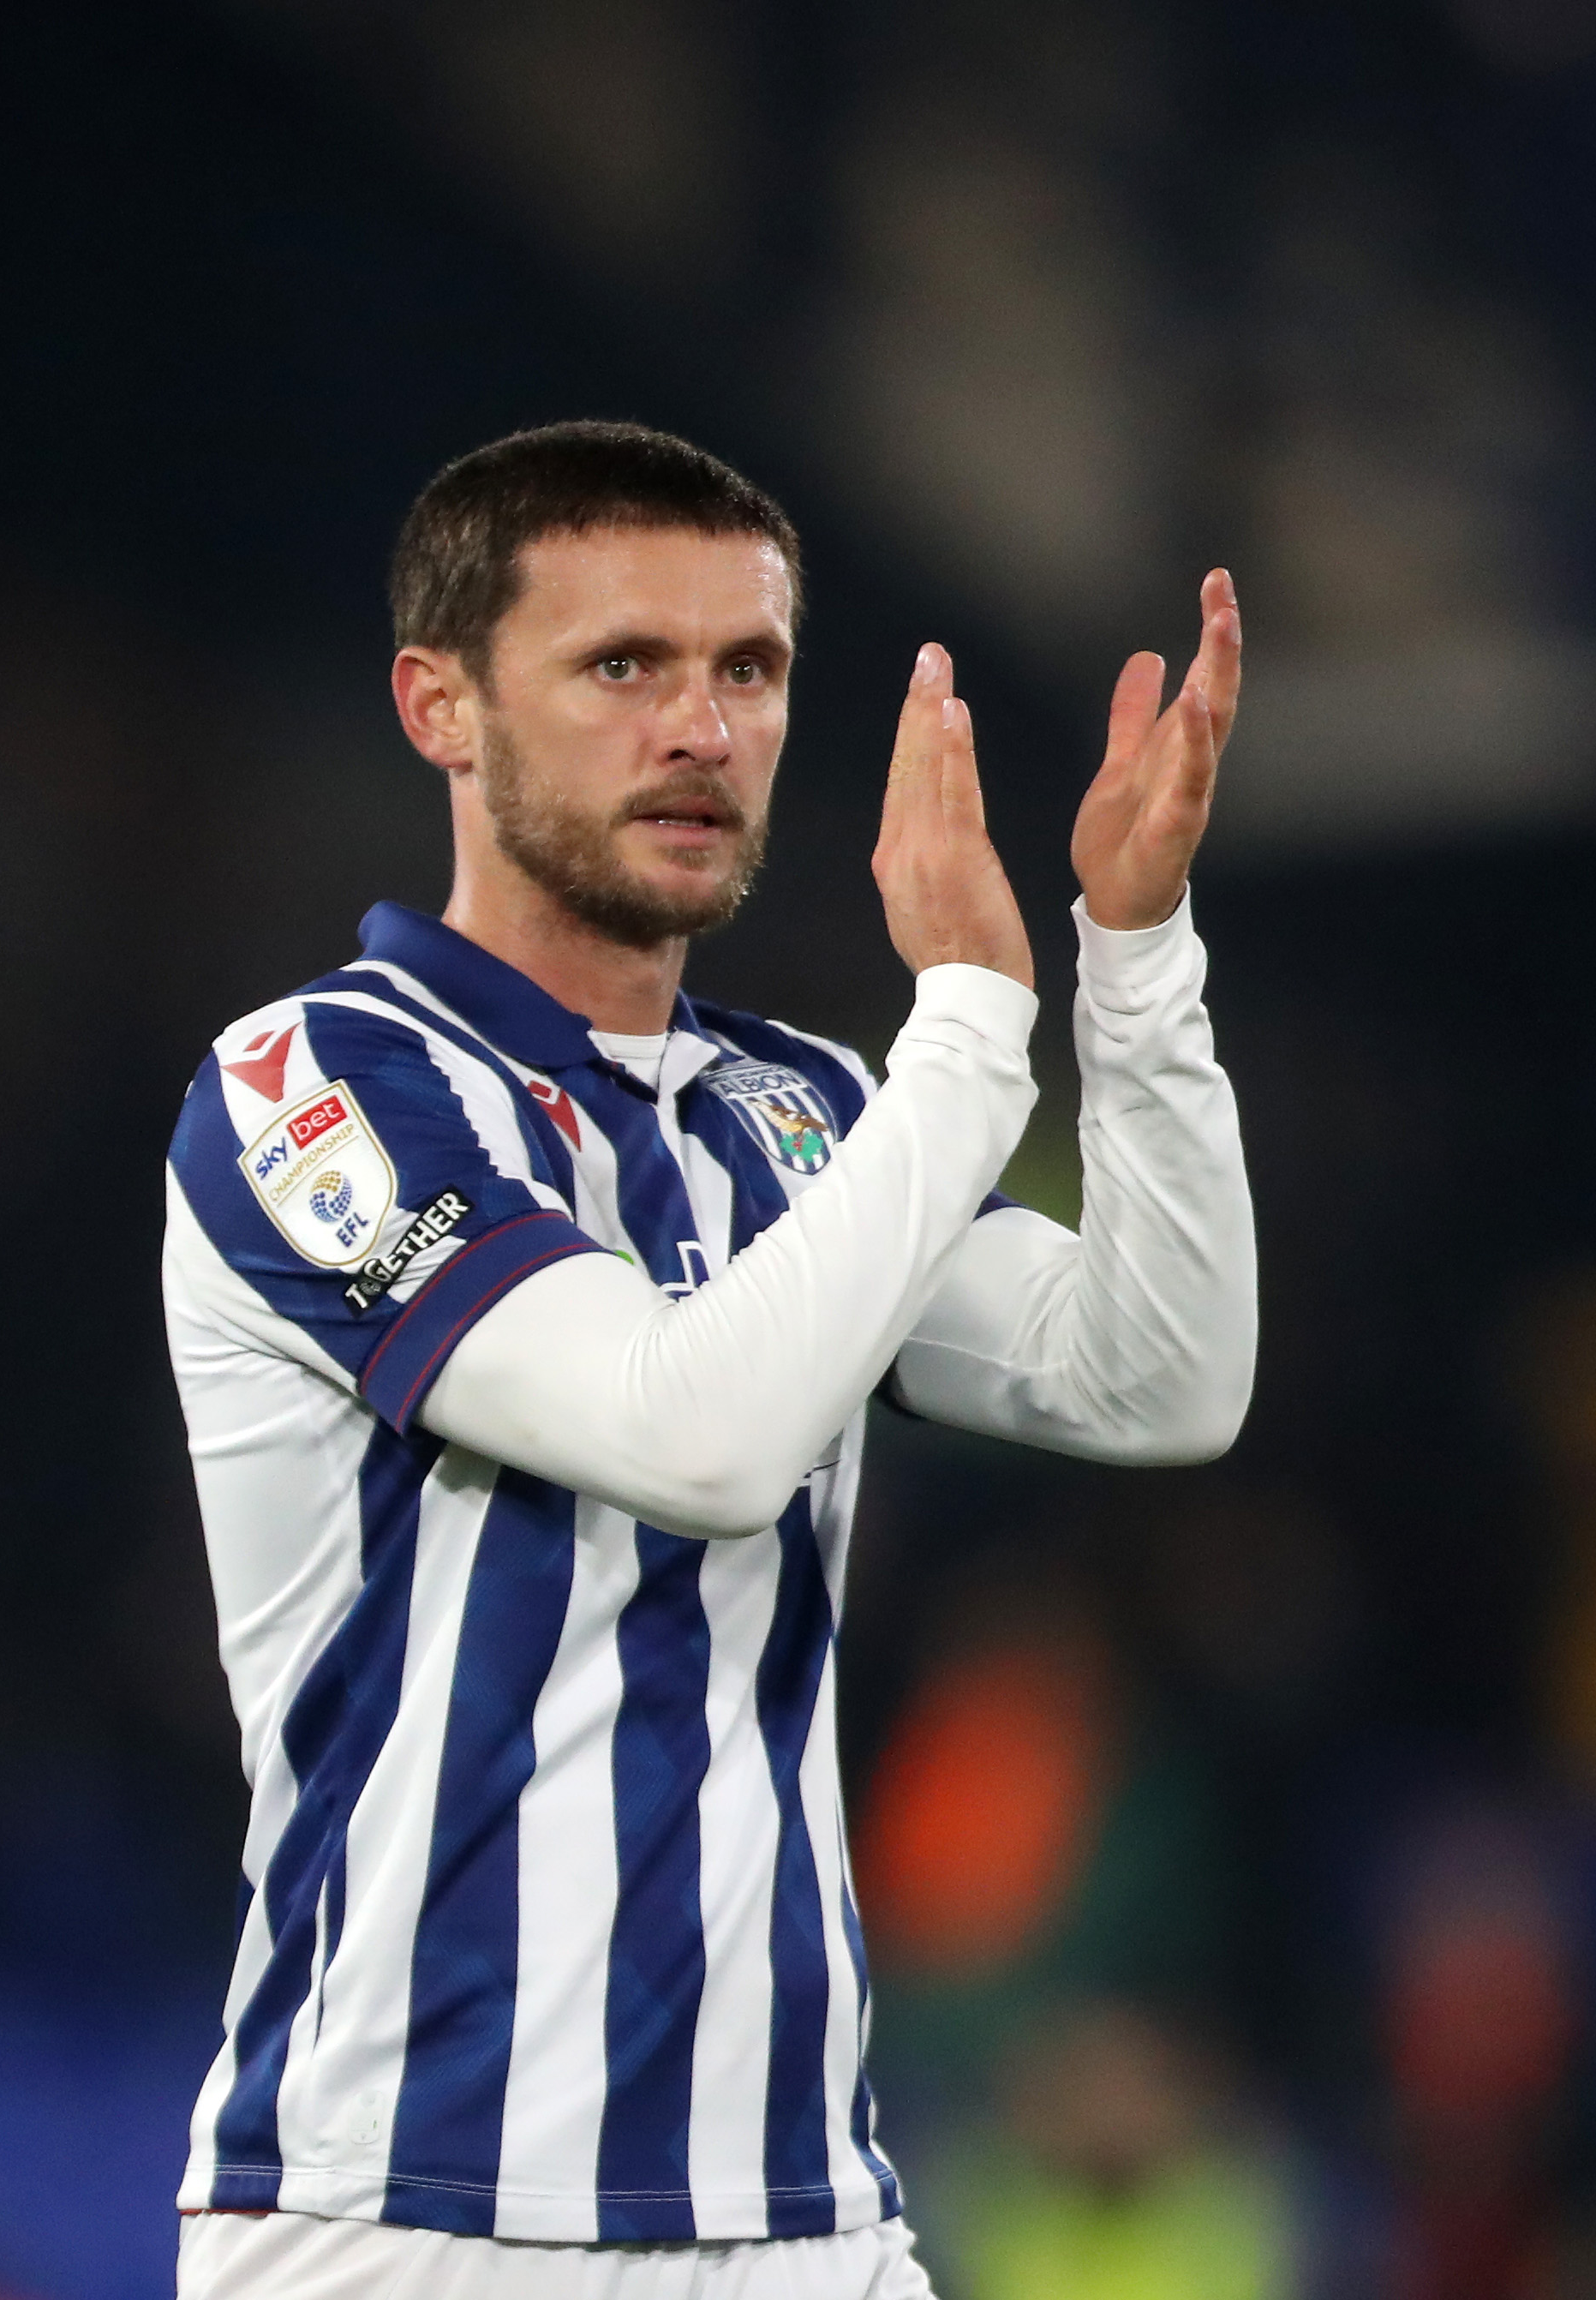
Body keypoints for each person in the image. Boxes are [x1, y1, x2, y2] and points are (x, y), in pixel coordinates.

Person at [158, 421, 1259, 2296]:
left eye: (746, 668)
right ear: (441, 705)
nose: (702, 728)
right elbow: (698, 1434)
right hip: (414, 2221)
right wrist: (974, 1020)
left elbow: (1158, 1376)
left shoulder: (805, 1115)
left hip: (802, 2223)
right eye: (624, 667)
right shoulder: (317, 1087)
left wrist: (1132, 961)